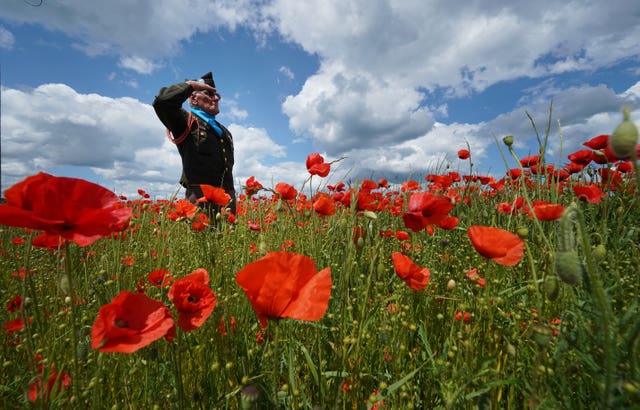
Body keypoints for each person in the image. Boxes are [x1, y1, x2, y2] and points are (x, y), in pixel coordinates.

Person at [153, 72, 236, 217]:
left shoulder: (225, 132)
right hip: (199, 199)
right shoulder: (186, 121)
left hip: (227, 200)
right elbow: (162, 103)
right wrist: (190, 86)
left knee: (229, 240)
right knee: (200, 238)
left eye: (216, 94)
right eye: (209, 93)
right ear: (193, 98)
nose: (216, 98)